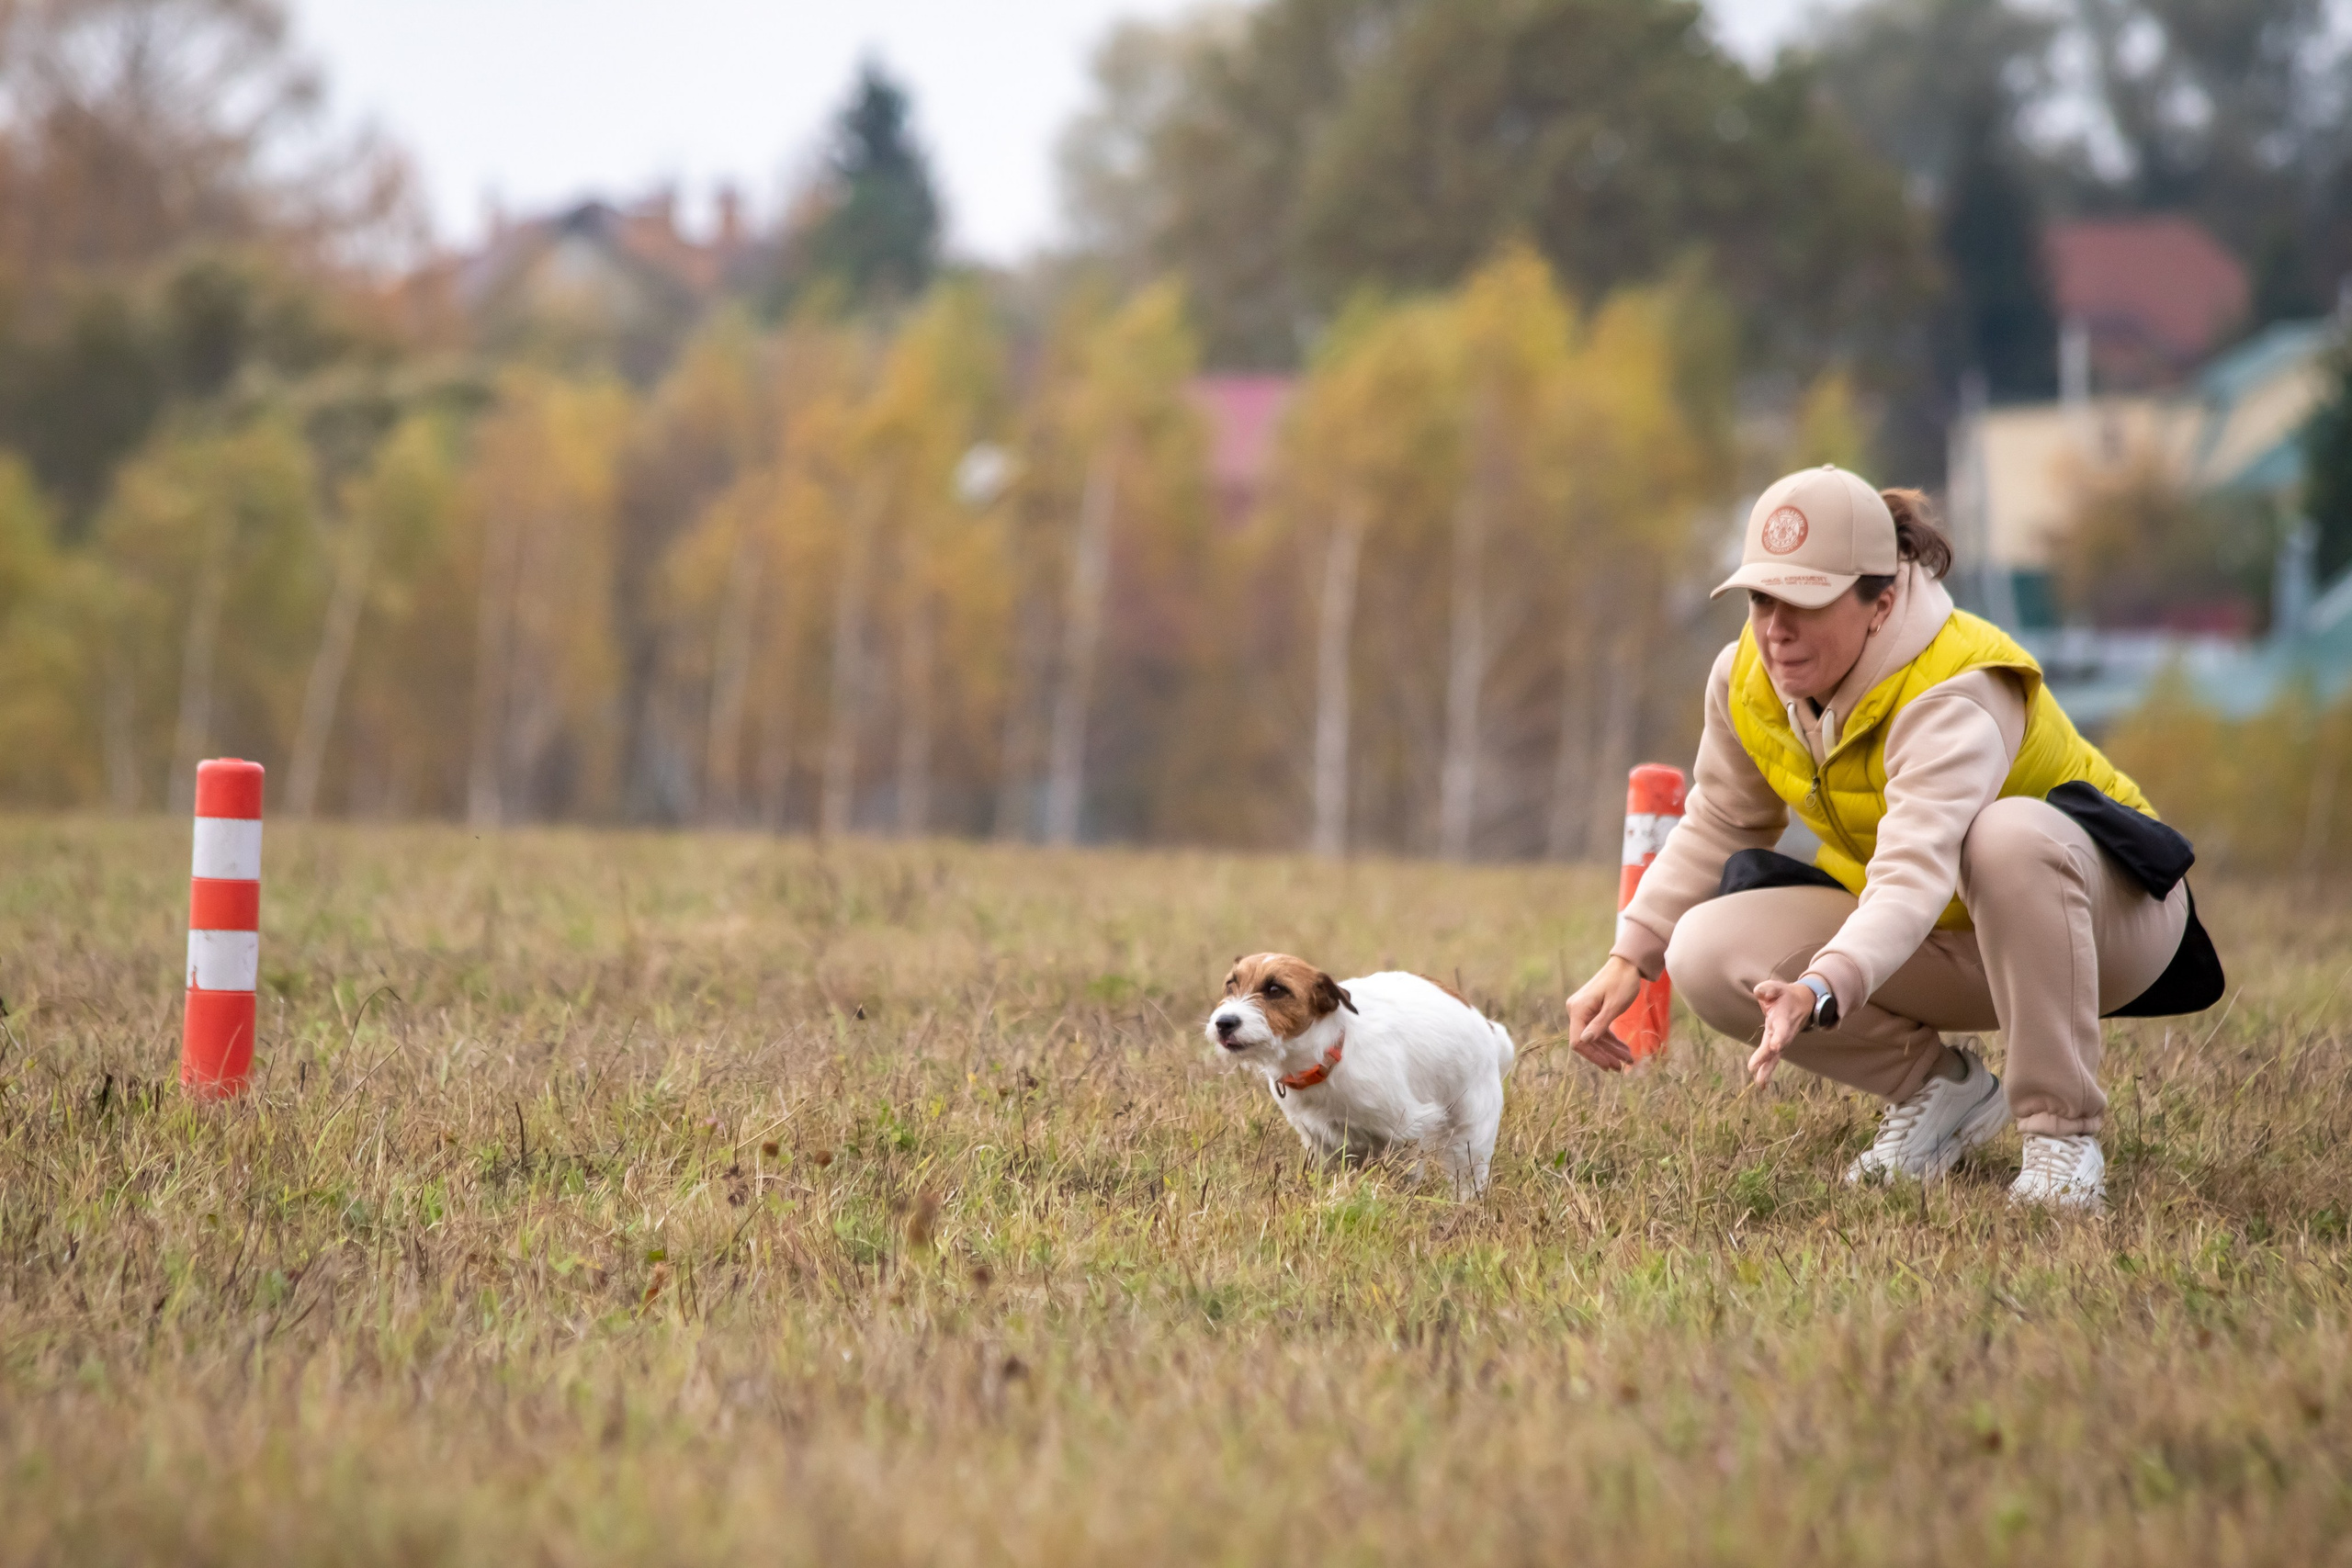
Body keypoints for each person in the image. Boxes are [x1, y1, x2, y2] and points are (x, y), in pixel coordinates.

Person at [1564, 465, 2222, 1210]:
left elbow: (1911, 873)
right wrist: (1628, 958)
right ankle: (1942, 1093)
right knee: (1702, 947)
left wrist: (1819, 985)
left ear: (1880, 604)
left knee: (2006, 836)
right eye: (1761, 598)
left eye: (1805, 602)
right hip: (1945, 930)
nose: (1775, 629)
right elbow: (1723, 818)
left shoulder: (1957, 686)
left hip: (2108, 923)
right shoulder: (1745, 678)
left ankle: (2061, 1141)